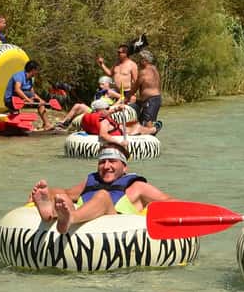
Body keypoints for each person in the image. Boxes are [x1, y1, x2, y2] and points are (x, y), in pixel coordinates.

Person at [29, 143, 172, 234]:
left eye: (112, 161)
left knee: (103, 196)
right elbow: (67, 193)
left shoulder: (138, 186)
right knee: (62, 197)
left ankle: (71, 218)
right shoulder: (91, 181)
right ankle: (49, 213)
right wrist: (49, 194)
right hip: (81, 227)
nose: (106, 166)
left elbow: (168, 201)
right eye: (102, 162)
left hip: (115, 229)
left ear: (124, 167)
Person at [55, 76, 123, 130]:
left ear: (108, 84)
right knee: (78, 106)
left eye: (102, 84)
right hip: (94, 111)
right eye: (99, 84)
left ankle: (65, 123)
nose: (100, 86)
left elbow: (122, 97)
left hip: (103, 112)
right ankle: (65, 122)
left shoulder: (110, 92)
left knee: (79, 106)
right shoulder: (99, 92)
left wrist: (115, 105)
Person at [3, 60, 52, 130]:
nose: (37, 72)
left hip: (22, 99)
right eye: (37, 70)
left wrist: (41, 100)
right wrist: (28, 99)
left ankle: (46, 124)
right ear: (33, 70)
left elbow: (32, 93)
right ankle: (13, 122)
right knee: (27, 97)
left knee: (40, 104)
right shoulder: (19, 76)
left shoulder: (30, 79)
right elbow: (17, 89)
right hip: (11, 99)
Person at [127, 49, 162, 135]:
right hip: (154, 99)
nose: (138, 61)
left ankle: (155, 131)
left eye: (140, 59)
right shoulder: (154, 68)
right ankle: (149, 135)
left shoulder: (143, 72)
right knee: (143, 121)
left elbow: (135, 88)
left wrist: (128, 95)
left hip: (151, 100)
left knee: (147, 122)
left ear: (145, 61)